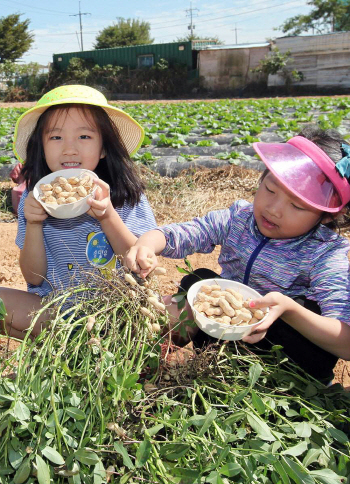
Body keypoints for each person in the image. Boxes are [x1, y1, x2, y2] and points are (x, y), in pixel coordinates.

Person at [124, 126, 350, 383]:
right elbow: (187, 232)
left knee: (305, 311)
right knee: (192, 287)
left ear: (328, 214)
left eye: (297, 205)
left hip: (283, 364)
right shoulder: (238, 219)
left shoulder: (325, 254)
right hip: (221, 341)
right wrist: (148, 242)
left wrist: (288, 310)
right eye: (270, 189)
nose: (274, 209)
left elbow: (346, 342)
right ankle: (145, 364)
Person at [1, 84, 156, 339]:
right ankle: (62, 350)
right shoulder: (35, 197)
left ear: (104, 147)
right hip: (55, 312)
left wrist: (107, 216)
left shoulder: (123, 195)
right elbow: (33, 276)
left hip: (116, 313)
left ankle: (102, 350)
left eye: (84, 137)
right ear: (41, 145)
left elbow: (138, 261)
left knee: (174, 312)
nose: (69, 149)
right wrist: (33, 224)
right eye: (56, 137)